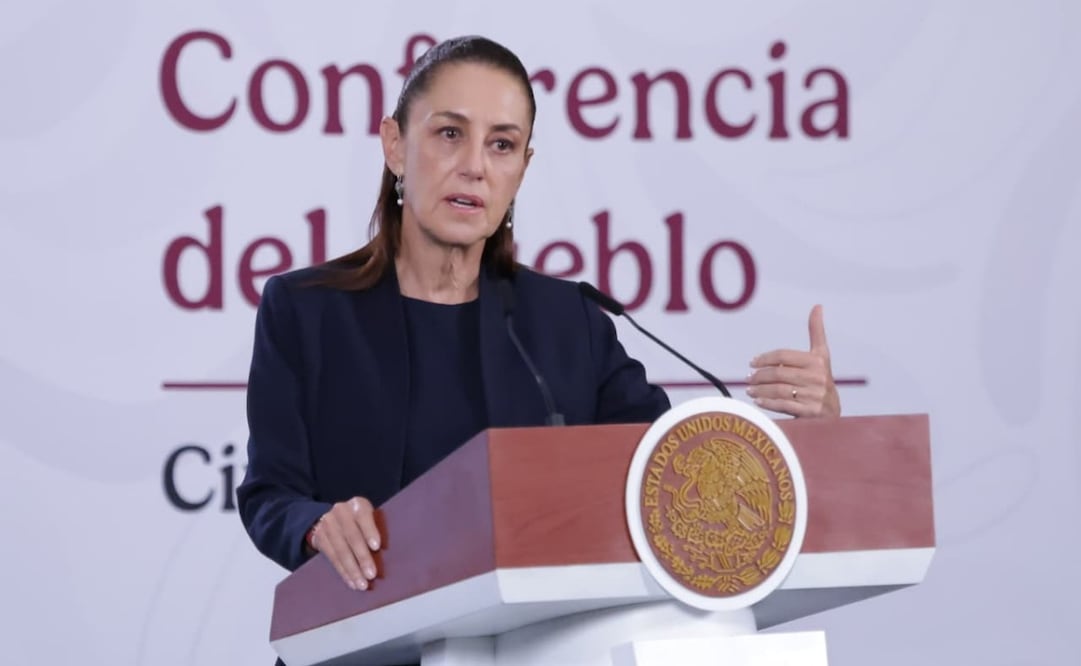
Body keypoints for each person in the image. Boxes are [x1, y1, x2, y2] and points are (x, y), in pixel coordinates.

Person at [236, 34, 840, 657]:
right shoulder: (306, 310)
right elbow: (269, 493)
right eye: (450, 134)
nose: (474, 165)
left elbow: (671, 477)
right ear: (395, 144)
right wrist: (315, 525)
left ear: (522, 168)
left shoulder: (567, 321)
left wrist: (819, 438)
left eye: (501, 144)